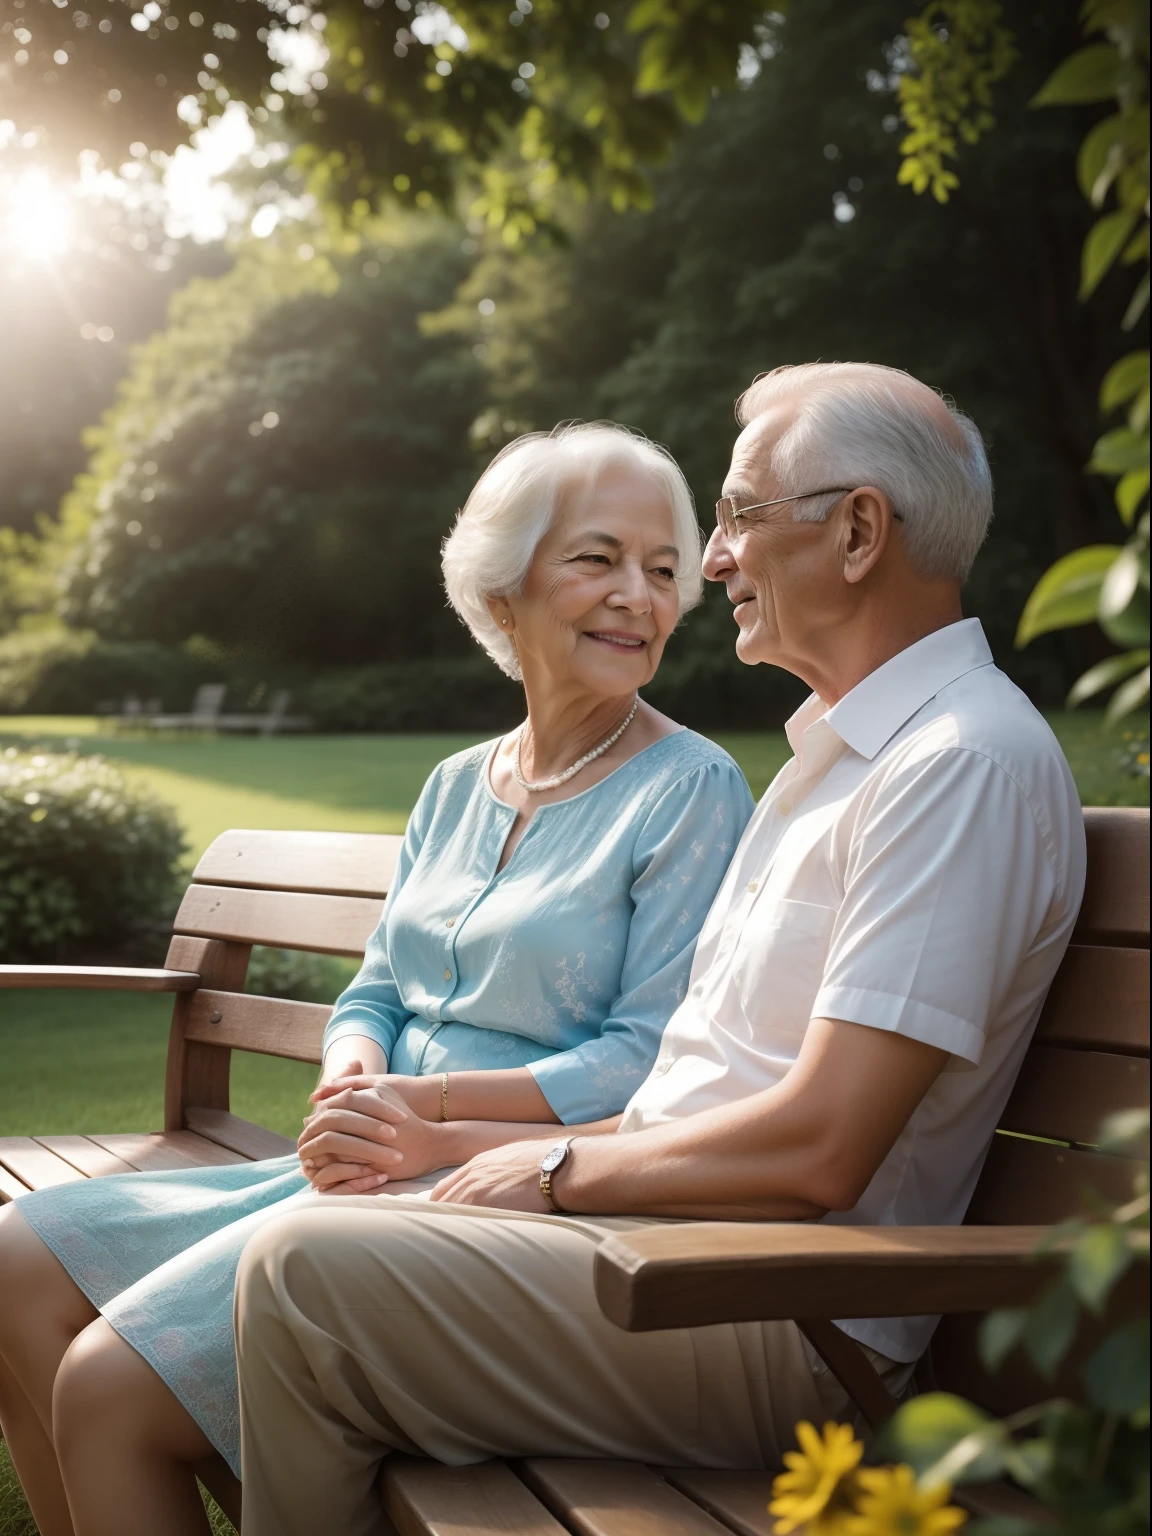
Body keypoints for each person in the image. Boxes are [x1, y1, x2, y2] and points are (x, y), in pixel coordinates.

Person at [219, 362, 1088, 1536]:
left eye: (738, 516)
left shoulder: (957, 767)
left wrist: (552, 1171)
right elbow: (689, 1099)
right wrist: (457, 1140)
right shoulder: (841, 765)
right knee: (315, 1242)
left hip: (786, 1323)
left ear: (859, 531)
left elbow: (825, 1150)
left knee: (302, 1278)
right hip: (678, 1259)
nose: (713, 561)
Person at [0, 422, 754, 1536]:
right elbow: (376, 992)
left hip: (500, 1193)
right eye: (596, 559)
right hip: (367, 1159)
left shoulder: (692, 789)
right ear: (505, 593)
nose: (637, 596)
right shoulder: (457, 785)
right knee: (15, 1261)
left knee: (106, 1388)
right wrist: (355, 1079)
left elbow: (643, 1063)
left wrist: (423, 1112)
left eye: (661, 569)